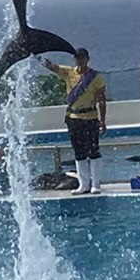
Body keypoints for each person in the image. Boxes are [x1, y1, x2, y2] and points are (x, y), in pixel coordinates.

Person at [40, 48, 107, 194]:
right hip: (73, 118)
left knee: (93, 151)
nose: (79, 60)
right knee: (79, 152)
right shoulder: (69, 72)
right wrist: (36, 55)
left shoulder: (95, 77)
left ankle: (95, 184)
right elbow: (52, 66)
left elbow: (102, 100)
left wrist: (102, 120)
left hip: (90, 117)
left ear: (87, 59)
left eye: (82, 57)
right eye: (77, 58)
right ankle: (83, 184)